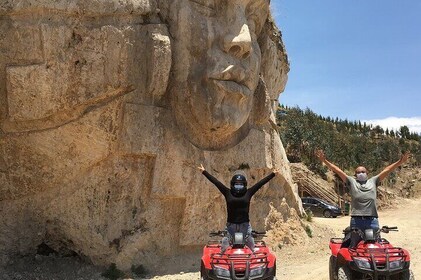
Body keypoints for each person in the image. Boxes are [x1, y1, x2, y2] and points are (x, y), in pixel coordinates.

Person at [315, 150, 410, 233]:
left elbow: (387, 170)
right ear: (355, 175)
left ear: (367, 173)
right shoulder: (352, 181)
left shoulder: (373, 180)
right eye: (358, 172)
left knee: (375, 248)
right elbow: (338, 171)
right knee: (355, 248)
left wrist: (399, 162)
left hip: (372, 220)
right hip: (356, 220)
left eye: (363, 172)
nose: (361, 173)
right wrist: (324, 161)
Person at [198, 164, 279, 253]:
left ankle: (253, 265)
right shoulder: (227, 192)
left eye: (240, 184)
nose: (238, 186)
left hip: (245, 226)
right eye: (236, 184)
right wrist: (204, 172)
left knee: (251, 247)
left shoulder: (249, 192)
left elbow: (260, 183)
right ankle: (222, 264)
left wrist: (273, 174)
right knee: (224, 246)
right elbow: (216, 182)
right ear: (232, 184)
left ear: (244, 185)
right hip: (230, 226)